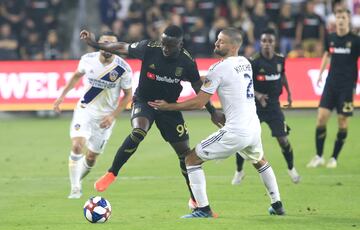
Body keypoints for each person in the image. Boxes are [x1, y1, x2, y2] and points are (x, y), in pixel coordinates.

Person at [80, 25, 223, 209]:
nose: (165, 48)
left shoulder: (187, 62)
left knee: (185, 155)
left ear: (180, 44)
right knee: (139, 130)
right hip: (144, 101)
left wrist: (213, 112)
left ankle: (195, 199)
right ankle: (112, 173)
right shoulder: (149, 48)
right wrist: (94, 43)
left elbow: (198, 87)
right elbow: (121, 47)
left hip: (169, 108)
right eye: (163, 43)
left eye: (170, 45)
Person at [149, 27, 285, 218]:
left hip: (235, 131)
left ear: (233, 45)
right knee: (259, 161)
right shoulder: (244, 62)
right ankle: (277, 204)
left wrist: (168, 106)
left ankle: (203, 209)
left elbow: (199, 102)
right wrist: (187, 76)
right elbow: (221, 80)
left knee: (190, 159)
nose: (216, 43)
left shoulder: (219, 68)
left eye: (220, 41)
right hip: (252, 128)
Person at [53, 32, 133, 199]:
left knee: (91, 157)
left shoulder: (123, 68)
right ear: (99, 44)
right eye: (105, 43)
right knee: (77, 146)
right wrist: (61, 97)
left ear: (117, 47)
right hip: (85, 109)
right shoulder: (88, 59)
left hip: (105, 118)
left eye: (112, 44)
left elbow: (127, 95)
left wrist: (113, 116)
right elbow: (76, 76)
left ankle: (77, 180)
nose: (108, 46)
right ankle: (75, 188)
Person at [231, 28, 300, 186]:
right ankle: (239, 171)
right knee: (243, 139)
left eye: (270, 41)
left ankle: (291, 169)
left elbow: (283, 75)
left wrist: (289, 94)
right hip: (255, 107)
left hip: (274, 107)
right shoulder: (253, 61)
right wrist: (258, 95)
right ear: (260, 43)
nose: (267, 44)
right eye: (264, 41)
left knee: (283, 140)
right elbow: (245, 83)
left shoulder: (280, 59)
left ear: (274, 43)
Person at [307, 8, 360, 168]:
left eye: (343, 17)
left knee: (342, 122)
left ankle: (334, 158)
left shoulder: (356, 40)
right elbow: (327, 55)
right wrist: (321, 73)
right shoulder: (331, 38)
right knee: (321, 118)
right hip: (331, 84)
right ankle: (319, 156)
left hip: (346, 87)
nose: (341, 20)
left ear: (348, 20)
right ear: (335, 20)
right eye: (338, 17)